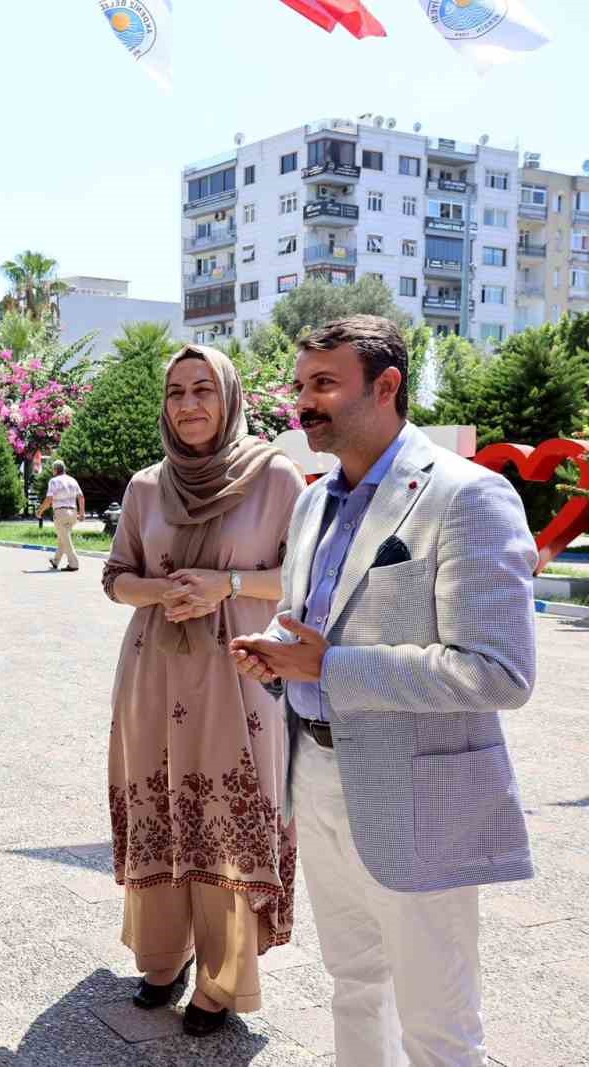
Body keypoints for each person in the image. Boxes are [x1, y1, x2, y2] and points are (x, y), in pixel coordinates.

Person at [231, 316, 536, 1066]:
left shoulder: (469, 496)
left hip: (417, 795)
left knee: (437, 1021)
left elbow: (498, 670)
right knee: (353, 983)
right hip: (320, 777)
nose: (304, 403)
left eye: (325, 384)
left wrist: (328, 668)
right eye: (301, 385)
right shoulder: (311, 502)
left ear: (388, 386)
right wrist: (280, 647)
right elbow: (310, 617)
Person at [101, 345, 302, 1037]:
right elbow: (116, 576)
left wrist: (226, 586)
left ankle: (221, 979)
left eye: (203, 390)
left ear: (230, 397)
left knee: (226, 813)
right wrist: (164, 590)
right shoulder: (146, 486)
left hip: (239, 677)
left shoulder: (273, 476)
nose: (188, 405)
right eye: (177, 392)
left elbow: (302, 578)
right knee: (159, 803)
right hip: (153, 673)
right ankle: (164, 957)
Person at [35, 460, 84, 571]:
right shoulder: (73, 480)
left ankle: (74, 563)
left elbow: (49, 499)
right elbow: (81, 497)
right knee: (63, 537)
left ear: (55, 470)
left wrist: (40, 511)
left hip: (61, 512)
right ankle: (55, 561)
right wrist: (81, 513)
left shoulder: (54, 481)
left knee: (66, 539)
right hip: (73, 512)